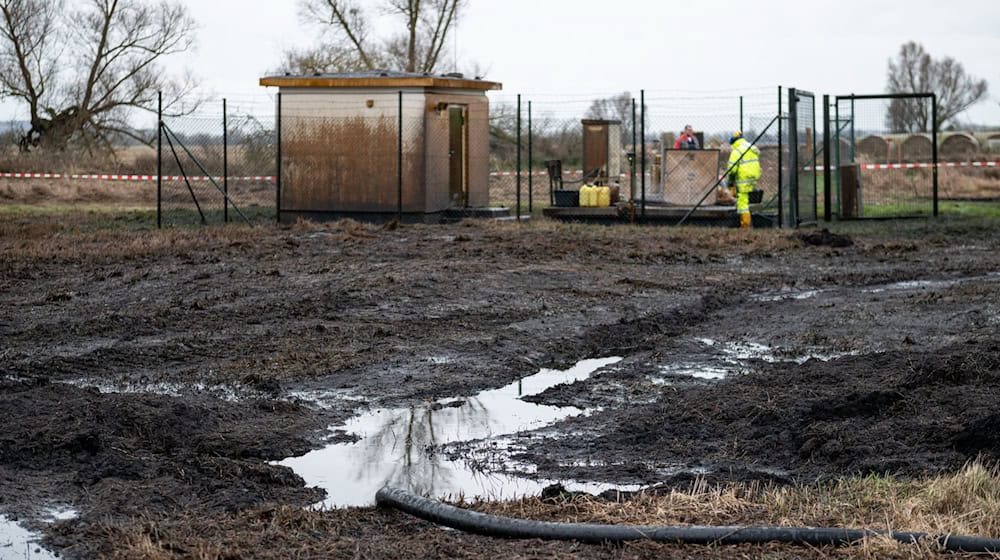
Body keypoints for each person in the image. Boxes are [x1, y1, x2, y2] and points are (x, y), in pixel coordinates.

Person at [727, 131, 761, 229]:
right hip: (754, 176)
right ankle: (749, 220)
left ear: (733, 142)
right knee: (747, 198)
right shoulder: (750, 147)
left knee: (742, 201)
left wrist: (730, 181)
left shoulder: (736, 151)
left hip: (744, 178)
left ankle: (745, 226)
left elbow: (732, 170)